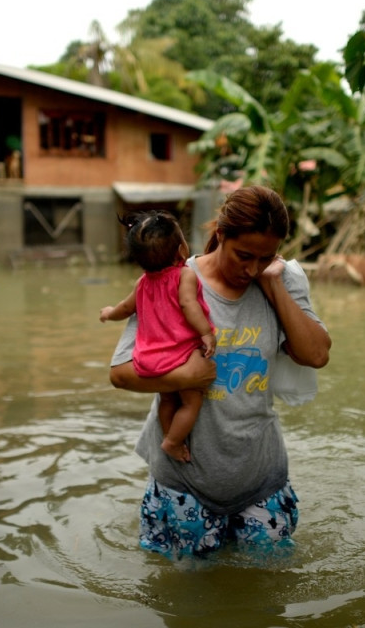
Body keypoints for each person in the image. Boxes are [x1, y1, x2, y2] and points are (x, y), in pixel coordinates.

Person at [108, 185, 331, 559]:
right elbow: (121, 372)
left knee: (267, 591)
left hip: (260, 476)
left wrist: (273, 284)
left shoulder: (279, 278)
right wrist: (186, 378)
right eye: (244, 255)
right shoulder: (174, 278)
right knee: (185, 599)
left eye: (265, 257)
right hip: (184, 480)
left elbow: (316, 354)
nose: (252, 268)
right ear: (221, 235)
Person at [100, 211, 216, 463]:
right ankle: (173, 441)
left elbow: (125, 308)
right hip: (179, 356)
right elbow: (188, 304)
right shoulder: (184, 275)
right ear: (181, 250)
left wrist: (109, 313)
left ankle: (167, 435)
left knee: (167, 399)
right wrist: (206, 332)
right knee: (191, 401)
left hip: (149, 358)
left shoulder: (142, 283)